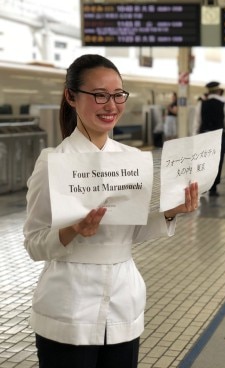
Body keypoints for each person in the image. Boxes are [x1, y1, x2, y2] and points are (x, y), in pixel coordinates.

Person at [23, 54, 198, 368]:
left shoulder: (132, 160)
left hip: (123, 304)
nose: (111, 105)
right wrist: (73, 229)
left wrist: (171, 212)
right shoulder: (53, 162)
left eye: (118, 95)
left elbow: (130, 231)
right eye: (100, 95)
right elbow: (34, 243)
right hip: (67, 309)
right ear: (71, 96)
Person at [192, 81, 225, 197]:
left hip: (204, 136)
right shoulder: (224, 104)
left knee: (204, 163)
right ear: (218, 91)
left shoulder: (201, 104)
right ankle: (213, 188)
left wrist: (195, 140)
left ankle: (204, 186)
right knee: (217, 163)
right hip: (218, 137)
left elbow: (196, 123)